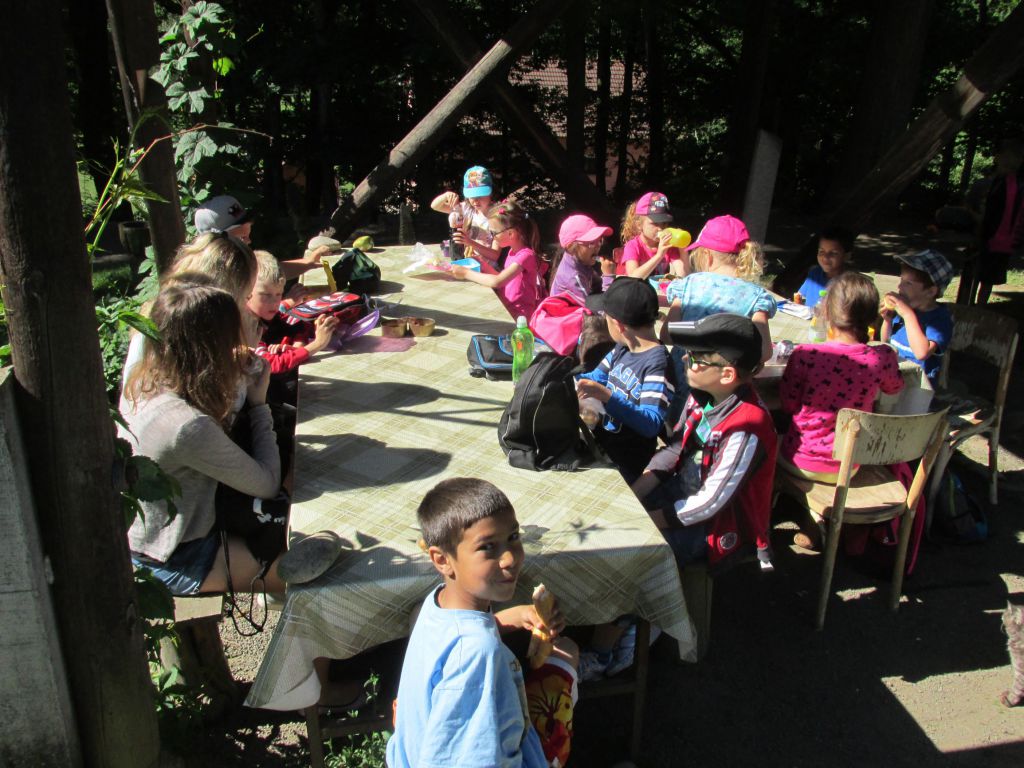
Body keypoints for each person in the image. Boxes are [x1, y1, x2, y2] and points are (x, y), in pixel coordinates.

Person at [387, 478, 579, 768]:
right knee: (568, 653)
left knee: (563, 649)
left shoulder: (437, 603)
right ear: (442, 560)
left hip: (408, 753)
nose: (510, 558)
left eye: (513, 536)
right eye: (488, 547)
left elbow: (457, 642)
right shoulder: (478, 654)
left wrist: (515, 616)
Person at [122, 283, 285, 597]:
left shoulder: (149, 379)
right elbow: (267, 483)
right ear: (214, 345)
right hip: (173, 557)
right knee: (305, 569)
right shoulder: (185, 425)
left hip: (154, 537)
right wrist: (259, 405)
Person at [631, 313, 778, 573]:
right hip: (682, 493)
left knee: (634, 551)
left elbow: (711, 502)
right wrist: (635, 493)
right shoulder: (702, 396)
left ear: (727, 374)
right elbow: (676, 448)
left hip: (717, 525)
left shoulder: (746, 427)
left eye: (696, 357)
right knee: (616, 515)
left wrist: (651, 520)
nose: (685, 359)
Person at [779, 271, 904, 483]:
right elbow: (895, 387)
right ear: (871, 316)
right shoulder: (881, 357)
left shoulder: (805, 355)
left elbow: (788, 404)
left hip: (800, 459)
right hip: (848, 466)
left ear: (826, 311)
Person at [660, 214, 776, 424]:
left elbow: (667, 334)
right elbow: (765, 351)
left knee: (677, 433)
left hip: (682, 380)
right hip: (723, 390)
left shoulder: (688, 285)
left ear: (707, 255)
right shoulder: (756, 296)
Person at [576, 277, 675, 483]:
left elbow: (651, 423)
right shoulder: (622, 347)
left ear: (619, 325)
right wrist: (567, 377)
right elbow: (594, 378)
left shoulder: (657, 364)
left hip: (627, 463)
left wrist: (607, 396)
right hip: (603, 445)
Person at [450, 200, 546, 321]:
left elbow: (498, 282)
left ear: (510, 234)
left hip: (519, 317)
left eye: (493, 233)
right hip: (507, 308)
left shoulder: (526, 256)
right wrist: (482, 263)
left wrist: (465, 273)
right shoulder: (513, 251)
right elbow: (503, 278)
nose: (492, 237)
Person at [194, 193, 329, 279]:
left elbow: (267, 271)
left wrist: (310, 262)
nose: (249, 241)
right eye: (241, 238)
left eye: (247, 233)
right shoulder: (215, 275)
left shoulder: (234, 258)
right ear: (215, 241)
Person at [247, 250, 339, 375]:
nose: (274, 302)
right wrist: (318, 344)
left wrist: (297, 344)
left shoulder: (264, 314)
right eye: (266, 295)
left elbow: (295, 321)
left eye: (279, 294)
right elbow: (269, 365)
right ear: (246, 293)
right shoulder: (246, 326)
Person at [880, 249, 954, 387]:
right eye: (901, 279)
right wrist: (887, 320)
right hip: (893, 378)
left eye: (908, 283)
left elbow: (921, 353)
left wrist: (908, 315)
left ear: (931, 291)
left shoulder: (939, 319)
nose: (900, 286)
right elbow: (886, 343)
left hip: (918, 386)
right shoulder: (904, 310)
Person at [974, 140, 1024, 304]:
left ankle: (977, 307)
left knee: (983, 277)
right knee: (983, 279)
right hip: (1002, 241)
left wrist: (984, 232)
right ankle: (977, 305)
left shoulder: (1007, 184)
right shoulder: (1011, 182)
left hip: (996, 240)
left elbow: (997, 215)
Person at [430, 165, 502, 265]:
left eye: (480, 195)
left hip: (488, 268)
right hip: (469, 263)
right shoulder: (467, 209)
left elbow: (495, 255)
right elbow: (435, 206)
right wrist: (446, 195)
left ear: (491, 193)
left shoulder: (497, 216)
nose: (475, 200)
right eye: (471, 196)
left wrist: (469, 242)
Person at [615, 191, 687, 279]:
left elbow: (683, 277)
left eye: (664, 223)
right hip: (636, 287)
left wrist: (683, 250)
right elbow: (633, 277)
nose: (660, 228)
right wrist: (659, 256)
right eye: (655, 224)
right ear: (639, 225)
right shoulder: (633, 246)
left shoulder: (667, 245)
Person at [549, 213, 615, 301]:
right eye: (591, 243)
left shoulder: (580, 262)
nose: (597, 247)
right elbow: (603, 308)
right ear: (571, 247)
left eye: (599, 241)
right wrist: (609, 277)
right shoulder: (573, 278)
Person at [794, 225, 855, 308]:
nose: (825, 257)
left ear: (847, 256)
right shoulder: (814, 274)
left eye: (833, 253)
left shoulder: (851, 284)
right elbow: (800, 297)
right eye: (821, 251)